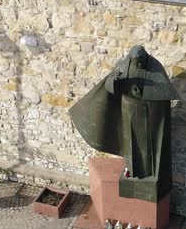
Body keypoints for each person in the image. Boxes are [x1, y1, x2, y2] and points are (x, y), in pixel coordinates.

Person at [69, 46, 179, 202]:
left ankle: (149, 173)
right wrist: (115, 81)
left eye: (140, 62)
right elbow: (111, 85)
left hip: (149, 115)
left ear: (145, 58)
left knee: (148, 147)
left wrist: (142, 91)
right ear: (131, 59)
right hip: (128, 112)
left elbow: (164, 91)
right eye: (135, 62)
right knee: (130, 144)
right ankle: (133, 172)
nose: (138, 65)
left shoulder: (156, 67)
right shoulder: (123, 64)